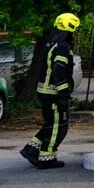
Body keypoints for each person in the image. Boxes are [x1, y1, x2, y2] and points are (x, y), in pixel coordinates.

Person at [20, 12, 79, 169]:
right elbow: (59, 69)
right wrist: (63, 93)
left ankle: (31, 149)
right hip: (54, 94)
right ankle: (47, 157)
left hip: (45, 91)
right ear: (70, 28)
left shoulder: (50, 43)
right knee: (59, 126)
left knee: (50, 123)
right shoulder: (62, 47)